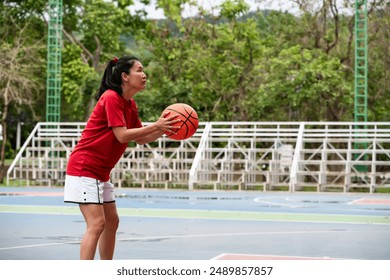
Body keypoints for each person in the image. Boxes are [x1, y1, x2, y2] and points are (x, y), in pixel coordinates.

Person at [64, 55, 180, 260]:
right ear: (125, 76)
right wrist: (157, 125)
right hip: (84, 168)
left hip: (100, 173)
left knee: (112, 222)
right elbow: (122, 135)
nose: (144, 75)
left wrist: (164, 130)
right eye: (140, 70)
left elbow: (141, 138)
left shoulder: (130, 104)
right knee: (97, 223)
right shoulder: (111, 97)